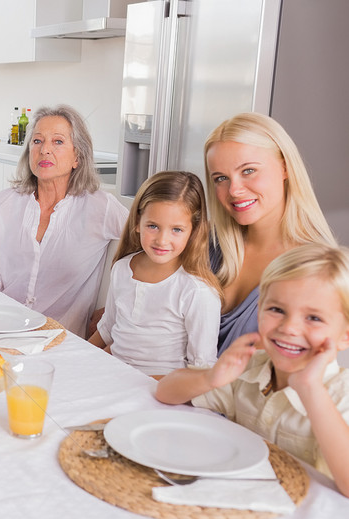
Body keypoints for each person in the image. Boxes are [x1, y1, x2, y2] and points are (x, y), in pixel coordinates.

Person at [156, 244, 349, 496]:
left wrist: (310, 388)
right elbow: (165, 392)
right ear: (259, 312)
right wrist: (210, 378)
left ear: (345, 337)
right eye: (277, 310)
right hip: (241, 502)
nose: (289, 328)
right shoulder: (250, 368)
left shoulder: (341, 393)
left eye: (313, 318)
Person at [0, 104, 128, 337]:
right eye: (37, 141)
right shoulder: (4, 202)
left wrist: (114, 308)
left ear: (77, 156)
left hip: (61, 340)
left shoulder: (100, 206)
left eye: (58, 142)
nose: (45, 149)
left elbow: (151, 243)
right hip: (1, 328)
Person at [204, 112, 335, 354]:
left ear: (285, 167)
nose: (234, 190)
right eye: (221, 178)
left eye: (248, 170)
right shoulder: (207, 245)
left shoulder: (318, 269)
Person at [88, 171, 221, 377]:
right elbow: (107, 329)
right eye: (153, 226)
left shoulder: (197, 290)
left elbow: (202, 369)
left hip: (161, 392)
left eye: (176, 229)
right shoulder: (122, 268)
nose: (162, 240)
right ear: (138, 222)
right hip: (112, 378)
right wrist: (75, 360)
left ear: (194, 231)